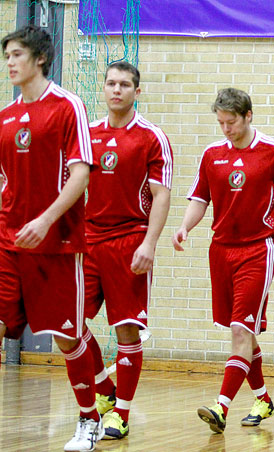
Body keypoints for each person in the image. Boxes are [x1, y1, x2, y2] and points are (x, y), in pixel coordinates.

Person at [172, 88, 274, 432]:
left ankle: (221, 406)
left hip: (258, 249)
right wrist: (184, 226)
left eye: (231, 122)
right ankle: (262, 398)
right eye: (221, 123)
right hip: (220, 250)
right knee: (242, 330)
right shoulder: (212, 154)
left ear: (248, 116)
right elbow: (200, 198)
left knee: (242, 329)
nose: (226, 129)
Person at [0, 25, 103, 451]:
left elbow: (81, 173)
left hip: (57, 242)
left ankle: (89, 418)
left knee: (66, 335)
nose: (10, 63)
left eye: (17, 54)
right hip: (8, 237)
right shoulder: (4, 116)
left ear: (40, 58)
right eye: (7, 56)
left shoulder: (67, 107)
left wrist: (45, 220)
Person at [81, 61, 173, 440]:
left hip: (130, 240)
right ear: (103, 89)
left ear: (137, 91)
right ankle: (104, 388)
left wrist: (149, 244)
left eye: (124, 84)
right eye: (110, 83)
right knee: (66, 323)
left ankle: (121, 412)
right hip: (87, 241)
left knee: (126, 332)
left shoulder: (151, 137)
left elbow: (162, 194)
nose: (116, 90)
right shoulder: (87, 134)